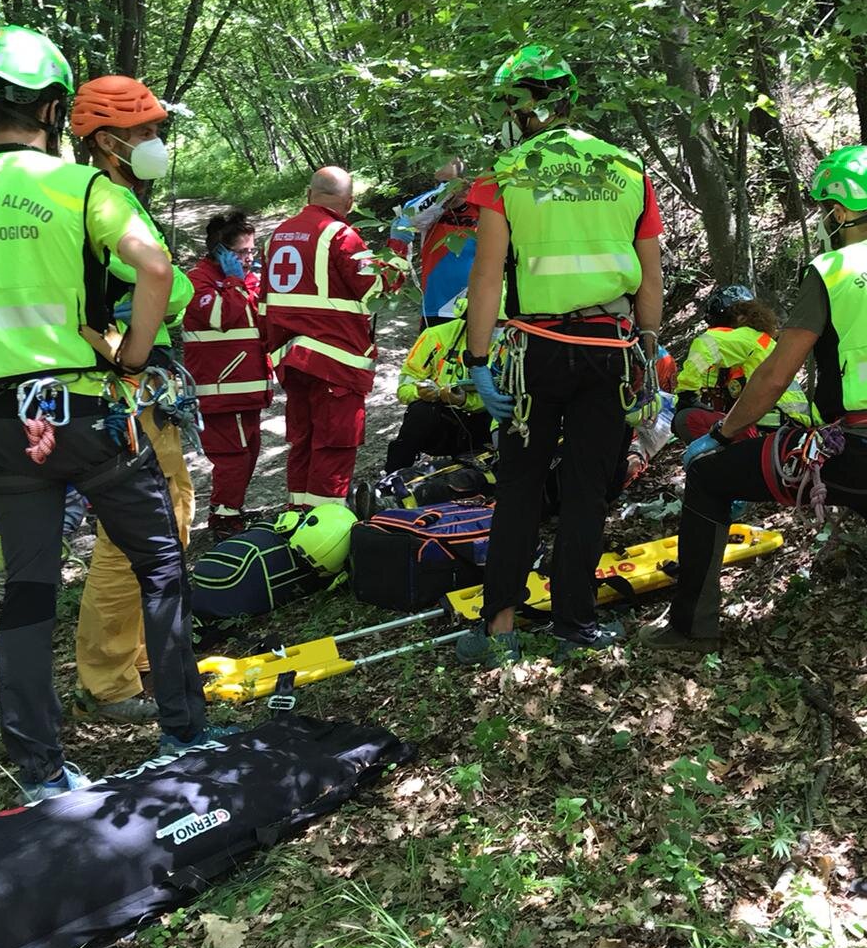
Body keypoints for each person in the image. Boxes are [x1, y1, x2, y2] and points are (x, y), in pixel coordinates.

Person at [0, 24, 222, 800]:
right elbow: (155, 269)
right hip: (85, 411)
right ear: (54, 108)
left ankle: (41, 774)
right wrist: (130, 356)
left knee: (27, 592)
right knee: (158, 561)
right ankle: (184, 725)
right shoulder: (80, 188)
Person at [641, 145, 867, 723]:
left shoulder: (834, 271)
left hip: (858, 453)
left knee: (706, 477)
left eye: (825, 206)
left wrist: (727, 435)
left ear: (837, 209)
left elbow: (777, 372)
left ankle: (691, 626)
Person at [456, 45, 664, 664]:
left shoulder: (506, 174)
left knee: (519, 487)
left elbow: (487, 277)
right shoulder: (629, 168)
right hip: (610, 350)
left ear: (522, 107)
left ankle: (499, 629)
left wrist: (476, 359)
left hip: (534, 353)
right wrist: (648, 350)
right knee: (586, 491)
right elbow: (651, 275)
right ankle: (576, 620)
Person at [67, 74, 199, 725]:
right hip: (130, 383)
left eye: (156, 130)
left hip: (144, 380)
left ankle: (145, 654)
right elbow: (163, 288)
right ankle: (112, 677)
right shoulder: (103, 205)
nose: (156, 143)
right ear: (107, 140)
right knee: (132, 535)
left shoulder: (122, 198)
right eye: (145, 132)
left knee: (169, 517)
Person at [261, 165, 379, 509]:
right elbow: (375, 288)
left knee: (303, 440)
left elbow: (266, 304)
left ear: (309, 195)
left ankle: (297, 515)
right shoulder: (340, 235)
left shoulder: (277, 235)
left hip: (291, 360)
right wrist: (398, 256)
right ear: (350, 202)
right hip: (335, 362)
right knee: (334, 444)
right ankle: (323, 529)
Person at [185, 207, 270, 538]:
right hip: (220, 392)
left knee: (248, 454)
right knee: (232, 459)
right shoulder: (198, 281)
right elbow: (221, 317)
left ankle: (230, 511)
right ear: (219, 251)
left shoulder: (245, 279)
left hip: (246, 390)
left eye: (251, 250)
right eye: (241, 252)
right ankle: (224, 522)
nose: (248, 258)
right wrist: (235, 280)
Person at [673, 286, 812, 442]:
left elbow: (706, 343)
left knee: (687, 419)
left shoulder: (746, 338)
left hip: (771, 427)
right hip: (789, 425)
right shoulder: (761, 342)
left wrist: (687, 393)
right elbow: (709, 384)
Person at [384, 297, 492, 472]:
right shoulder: (436, 336)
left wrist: (465, 400)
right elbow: (404, 388)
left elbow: (510, 396)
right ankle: (392, 477)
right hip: (443, 421)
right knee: (420, 411)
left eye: (502, 322)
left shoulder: (513, 344)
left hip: (486, 422)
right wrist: (423, 393)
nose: (498, 328)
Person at [389, 157, 475, 327]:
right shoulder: (428, 209)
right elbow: (406, 221)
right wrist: (445, 193)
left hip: (476, 301)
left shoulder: (480, 208)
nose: (447, 187)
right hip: (438, 304)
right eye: (442, 183)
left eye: (451, 182)